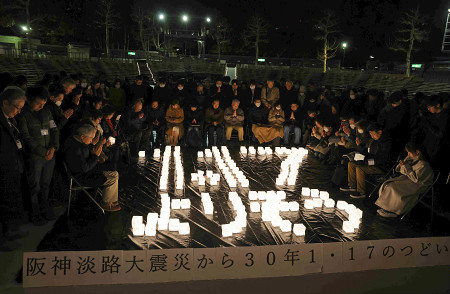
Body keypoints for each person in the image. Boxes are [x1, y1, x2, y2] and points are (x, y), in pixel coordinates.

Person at [17, 86, 59, 224]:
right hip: (35, 157)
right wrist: (43, 151)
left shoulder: (47, 112)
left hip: (49, 155)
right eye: (38, 103)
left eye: (43, 104)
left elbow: (54, 129)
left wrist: (53, 148)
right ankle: (35, 213)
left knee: (46, 184)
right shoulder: (23, 114)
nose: (41, 106)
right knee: (34, 186)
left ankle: (44, 208)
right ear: (29, 100)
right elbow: (26, 137)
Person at [64, 124, 120, 211]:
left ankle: (111, 200)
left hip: (89, 172)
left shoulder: (79, 142)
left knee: (115, 173)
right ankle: (106, 202)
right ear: (82, 136)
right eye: (91, 138)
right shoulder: (74, 149)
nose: (91, 141)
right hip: (80, 178)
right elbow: (84, 169)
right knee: (111, 178)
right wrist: (95, 156)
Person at [0, 88, 28, 246]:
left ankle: (10, 231)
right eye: (17, 107)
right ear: (5, 103)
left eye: (21, 108)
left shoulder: (11, 119)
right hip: (4, 169)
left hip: (13, 166)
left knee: (11, 200)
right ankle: (4, 238)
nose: (19, 111)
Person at [375, 142, 434, 218]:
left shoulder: (424, 165)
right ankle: (386, 207)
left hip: (419, 184)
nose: (408, 154)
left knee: (393, 188)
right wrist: (402, 165)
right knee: (387, 184)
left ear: (417, 152)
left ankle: (393, 210)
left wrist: (405, 166)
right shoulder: (411, 158)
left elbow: (416, 179)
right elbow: (401, 170)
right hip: (409, 179)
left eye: (409, 152)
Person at [340, 123, 392, 198]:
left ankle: (361, 192)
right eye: (371, 135)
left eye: (373, 134)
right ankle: (352, 186)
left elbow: (381, 160)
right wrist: (360, 147)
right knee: (351, 164)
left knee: (360, 168)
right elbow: (367, 152)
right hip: (370, 162)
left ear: (380, 132)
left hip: (381, 166)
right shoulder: (374, 141)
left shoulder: (386, 144)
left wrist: (366, 162)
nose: (372, 136)